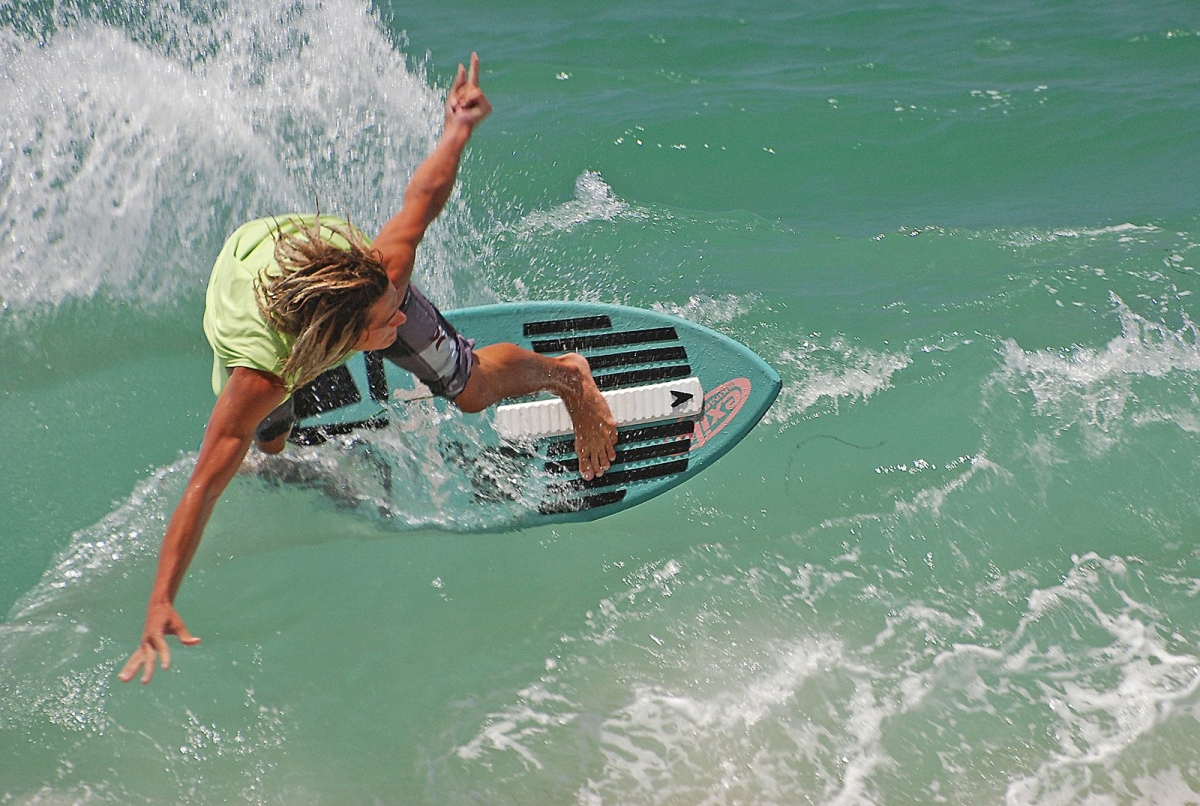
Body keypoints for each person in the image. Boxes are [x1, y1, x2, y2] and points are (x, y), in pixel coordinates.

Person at [119, 54, 618, 685]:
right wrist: (161, 597)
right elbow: (203, 483)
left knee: (468, 388)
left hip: (311, 260)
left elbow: (423, 196)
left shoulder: (384, 270)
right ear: (338, 339)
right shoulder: (263, 371)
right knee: (267, 443)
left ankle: (567, 375)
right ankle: (296, 429)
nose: (397, 322)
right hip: (248, 284)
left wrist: (458, 126)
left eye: (396, 308)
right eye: (384, 324)